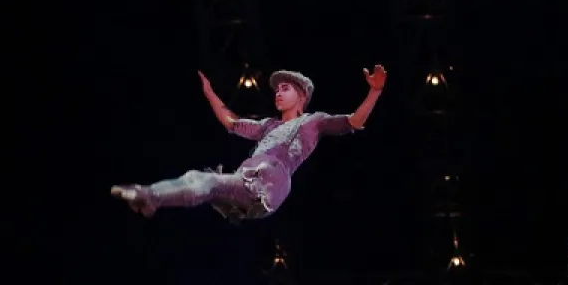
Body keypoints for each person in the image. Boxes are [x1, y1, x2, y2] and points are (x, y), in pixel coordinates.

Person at [110, 66, 386, 222]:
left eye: (285, 88)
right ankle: (151, 198)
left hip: (268, 181)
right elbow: (231, 122)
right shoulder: (268, 126)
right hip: (248, 178)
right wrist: (210, 95)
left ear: (302, 97)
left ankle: (149, 196)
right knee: (200, 179)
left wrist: (374, 91)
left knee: (206, 182)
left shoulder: (313, 121)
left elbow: (353, 121)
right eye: (277, 89)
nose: (278, 92)